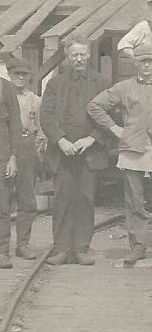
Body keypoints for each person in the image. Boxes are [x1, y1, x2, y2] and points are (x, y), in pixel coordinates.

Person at [88, 45, 152, 267]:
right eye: (142, 61)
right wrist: (115, 129)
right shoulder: (124, 87)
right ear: (136, 63)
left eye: (150, 61)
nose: (146, 65)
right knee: (134, 201)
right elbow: (95, 106)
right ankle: (138, 246)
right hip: (132, 149)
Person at [40, 36, 110, 266]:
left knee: (85, 199)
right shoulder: (55, 84)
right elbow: (47, 116)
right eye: (74, 55)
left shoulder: (101, 82)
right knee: (62, 198)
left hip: (89, 152)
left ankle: (81, 248)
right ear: (67, 57)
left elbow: (111, 115)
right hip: (63, 152)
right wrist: (60, 140)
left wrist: (92, 138)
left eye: (82, 54)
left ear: (89, 55)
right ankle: (60, 249)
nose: (79, 59)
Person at [6, 59, 43, 262]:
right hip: (4, 148)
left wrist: (38, 152)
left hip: (27, 147)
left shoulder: (35, 100)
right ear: (9, 75)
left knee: (26, 198)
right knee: (4, 197)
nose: (20, 78)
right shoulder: (3, 96)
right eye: (16, 74)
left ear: (29, 77)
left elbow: (40, 129)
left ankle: (23, 244)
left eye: (23, 74)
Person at [0, 68, 21, 268]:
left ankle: (2, 251)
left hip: (2, 156)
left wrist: (13, 157)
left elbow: (15, 124)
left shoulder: (6, 88)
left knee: (2, 207)